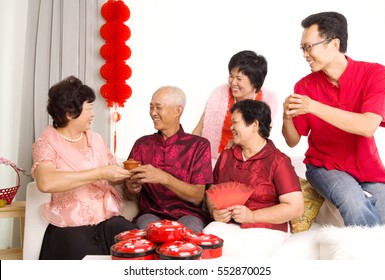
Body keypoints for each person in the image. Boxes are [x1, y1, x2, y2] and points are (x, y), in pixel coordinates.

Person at [282, 11, 385, 227]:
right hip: (325, 166)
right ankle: (365, 258)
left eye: (308, 47)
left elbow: (367, 126)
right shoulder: (304, 86)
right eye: (302, 48)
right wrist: (287, 117)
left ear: (334, 44)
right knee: (354, 203)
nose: (305, 54)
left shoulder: (376, 74)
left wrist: (312, 106)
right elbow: (293, 140)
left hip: (367, 165)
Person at [31, 76, 137, 260]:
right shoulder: (46, 143)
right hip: (70, 228)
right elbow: (46, 182)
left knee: (138, 242)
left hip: (107, 222)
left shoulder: (95, 139)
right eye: (89, 108)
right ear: (69, 113)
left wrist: (128, 178)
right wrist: (100, 172)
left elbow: (111, 173)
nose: (93, 114)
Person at [204, 99, 304, 259]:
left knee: (245, 257)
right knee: (206, 241)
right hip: (229, 224)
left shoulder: (278, 161)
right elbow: (212, 192)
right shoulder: (227, 155)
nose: (231, 128)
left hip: (267, 226)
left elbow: (296, 207)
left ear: (255, 125)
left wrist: (252, 217)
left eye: (235, 122)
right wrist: (214, 211)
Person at [124, 86, 213, 233]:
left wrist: (164, 178)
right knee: (149, 233)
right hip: (151, 214)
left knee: (185, 236)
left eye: (159, 107)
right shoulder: (142, 144)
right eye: (151, 107)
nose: (153, 113)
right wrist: (132, 188)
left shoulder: (199, 145)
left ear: (178, 110)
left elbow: (197, 196)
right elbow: (130, 194)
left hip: (188, 214)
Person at [192, 50, 277, 161]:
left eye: (239, 78)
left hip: (249, 160)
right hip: (215, 158)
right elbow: (198, 131)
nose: (233, 82)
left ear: (255, 82)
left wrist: (237, 144)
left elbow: (262, 138)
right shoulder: (218, 97)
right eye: (231, 76)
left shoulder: (266, 101)